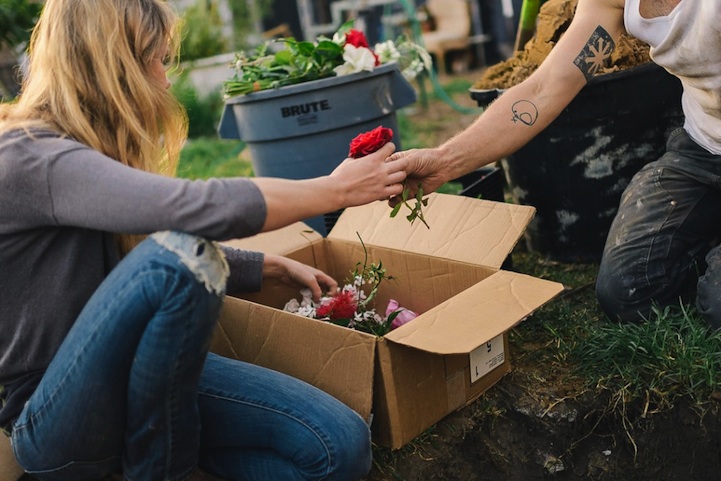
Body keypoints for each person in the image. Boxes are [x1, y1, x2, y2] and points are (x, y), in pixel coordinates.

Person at [0, 0, 409, 480]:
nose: (166, 78)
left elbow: (139, 244)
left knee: (338, 444)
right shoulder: (29, 156)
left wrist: (266, 267)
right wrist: (336, 189)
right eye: (155, 58)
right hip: (57, 415)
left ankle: (164, 459)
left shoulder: (84, 149)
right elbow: (187, 216)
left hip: (142, 377)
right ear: (112, 67)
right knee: (182, 256)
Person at [391, 0, 721, 329]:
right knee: (626, 291)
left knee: (716, 306)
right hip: (702, 146)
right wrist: (444, 161)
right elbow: (544, 89)